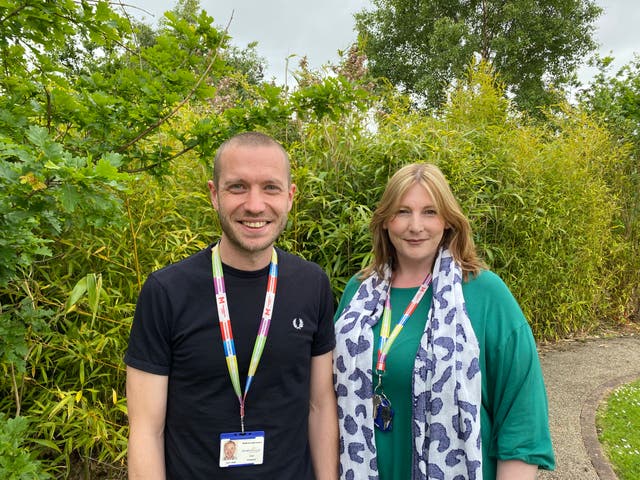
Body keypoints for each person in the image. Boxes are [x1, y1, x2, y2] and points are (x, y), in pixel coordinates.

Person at [125, 131, 338, 479]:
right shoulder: (166, 291)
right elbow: (147, 430)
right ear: (214, 194)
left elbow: (320, 406)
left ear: (290, 196)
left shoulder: (312, 284)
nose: (255, 205)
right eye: (238, 187)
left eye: (270, 187)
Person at [333, 163, 555, 480]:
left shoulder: (484, 294)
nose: (415, 226)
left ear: (448, 221)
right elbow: (324, 398)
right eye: (402, 211)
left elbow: (522, 416)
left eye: (430, 212)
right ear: (384, 221)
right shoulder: (358, 292)